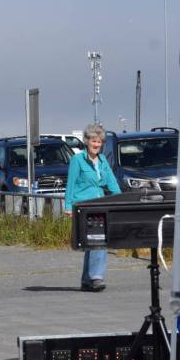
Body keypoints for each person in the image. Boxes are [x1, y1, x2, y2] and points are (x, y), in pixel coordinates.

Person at [64, 123, 121, 292]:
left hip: (100, 205)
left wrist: (121, 200)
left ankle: (87, 280)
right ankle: (96, 277)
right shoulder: (77, 160)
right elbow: (71, 185)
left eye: (99, 142)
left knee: (93, 242)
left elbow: (112, 184)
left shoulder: (103, 161)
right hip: (83, 206)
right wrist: (69, 207)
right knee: (98, 241)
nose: (96, 145)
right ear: (86, 141)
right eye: (93, 141)